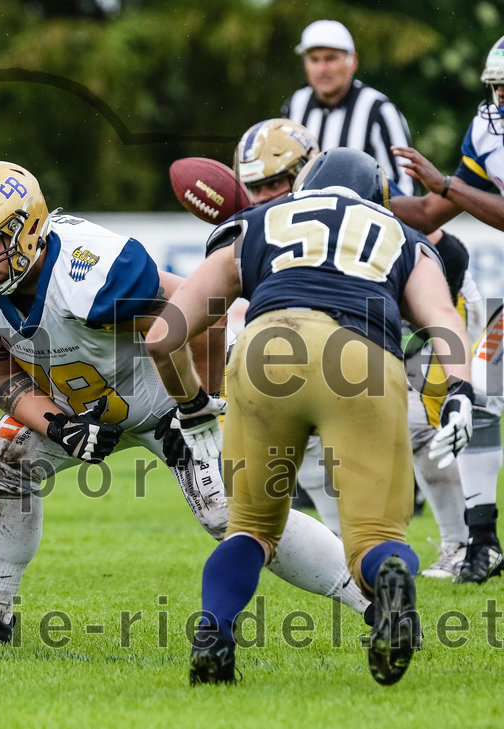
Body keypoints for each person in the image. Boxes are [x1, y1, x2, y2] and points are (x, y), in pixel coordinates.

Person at [0, 160, 371, 646]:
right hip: (88, 406)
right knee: (5, 461)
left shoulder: (88, 269)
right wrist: (60, 426)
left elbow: (203, 308)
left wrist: (199, 405)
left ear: (31, 228)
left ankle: (373, 601)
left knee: (230, 515)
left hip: (170, 398)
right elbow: (1, 379)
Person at [147, 148, 474, 686]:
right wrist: (459, 389)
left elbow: (162, 338)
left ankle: (214, 631)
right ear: (378, 197)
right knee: (373, 536)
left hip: (264, 353)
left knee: (249, 528)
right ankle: (389, 575)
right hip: (362, 359)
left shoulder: (257, 222)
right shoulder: (402, 237)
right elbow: (440, 315)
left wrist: (192, 405)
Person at [235, 120, 475, 579]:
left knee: (427, 427)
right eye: (255, 187)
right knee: (304, 447)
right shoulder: (267, 221)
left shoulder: (368, 202)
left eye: (275, 183)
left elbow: (453, 258)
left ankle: (465, 541)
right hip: (350, 335)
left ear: (306, 173)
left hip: (428, 314)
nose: (265, 196)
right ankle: (350, 552)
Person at [389, 34, 504, 584]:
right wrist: (357, 195)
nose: (500, 101)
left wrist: (449, 184)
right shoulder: (487, 129)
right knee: (482, 400)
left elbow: (449, 192)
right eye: (496, 89)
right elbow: (435, 206)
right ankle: (482, 543)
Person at [282, 20, 413, 195]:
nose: (322, 69)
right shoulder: (296, 104)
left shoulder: (378, 110)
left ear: (352, 62)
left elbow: (405, 187)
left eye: (331, 59)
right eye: (314, 59)